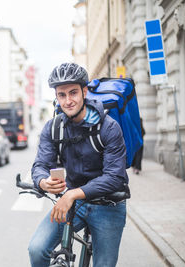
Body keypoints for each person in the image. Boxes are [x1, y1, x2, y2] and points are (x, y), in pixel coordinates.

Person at [28, 63, 129, 267]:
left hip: (108, 204)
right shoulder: (53, 127)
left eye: (73, 93)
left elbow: (115, 178)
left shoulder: (109, 127)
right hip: (75, 203)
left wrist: (71, 194)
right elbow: (40, 164)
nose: (68, 100)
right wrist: (42, 181)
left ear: (84, 91)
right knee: (37, 249)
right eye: (61, 95)